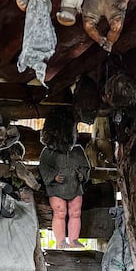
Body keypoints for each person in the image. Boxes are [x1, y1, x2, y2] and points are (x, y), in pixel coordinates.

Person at [38, 107, 91, 249]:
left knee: (75, 212)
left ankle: (74, 240)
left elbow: (85, 167)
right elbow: (43, 167)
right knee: (60, 212)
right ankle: (61, 241)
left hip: (74, 187)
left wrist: (82, 175)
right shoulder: (48, 152)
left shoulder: (78, 150)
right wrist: (53, 177)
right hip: (57, 188)